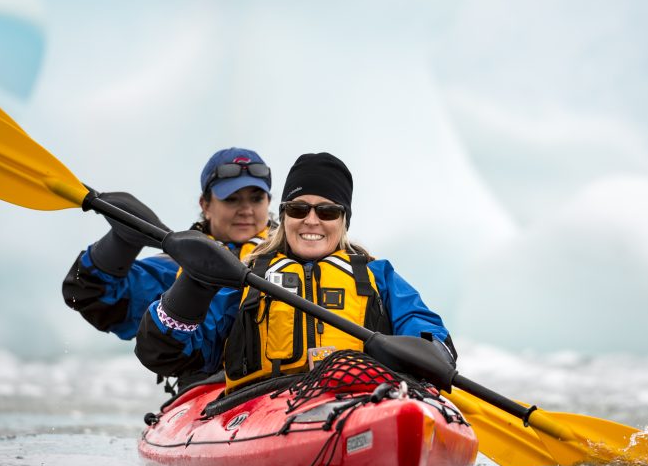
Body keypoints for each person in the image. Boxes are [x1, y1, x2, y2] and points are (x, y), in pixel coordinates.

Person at [135, 152, 456, 392]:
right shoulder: (246, 277)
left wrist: (429, 348)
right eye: (299, 209)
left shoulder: (376, 275)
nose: (312, 220)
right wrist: (193, 285)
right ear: (284, 215)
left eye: (328, 211)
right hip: (262, 404)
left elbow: (423, 325)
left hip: (358, 398)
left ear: (344, 220)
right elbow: (171, 355)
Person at [62, 148, 275, 380]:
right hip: (208, 392)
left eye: (256, 198)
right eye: (231, 199)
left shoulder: (294, 262)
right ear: (205, 204)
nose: (246, 210)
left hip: (286, 388)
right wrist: (121, 242)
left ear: (269, 201)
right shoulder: (174, 270)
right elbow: (87, 293)